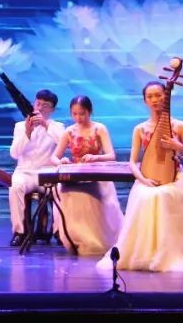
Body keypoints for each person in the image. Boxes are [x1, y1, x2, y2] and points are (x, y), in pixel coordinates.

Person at [100, 82, 183, 271]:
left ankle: (168, 254)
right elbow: (132, 162)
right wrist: (143, 180)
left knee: (163, 196)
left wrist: (178, 146)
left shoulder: (179, 126)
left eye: (158, 95)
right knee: (146, 195)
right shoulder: (140, 129)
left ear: (166, 97)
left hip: (174, 180)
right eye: (150, 96)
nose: (155, 100)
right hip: (147, 179)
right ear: (145, 101)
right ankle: (145, 255)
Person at [49, 95, 122, 256]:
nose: (78, 117)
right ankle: (77, 239)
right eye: (74, 114)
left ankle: (97, 241)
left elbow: (111, 155)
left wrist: (96, 157)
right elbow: (53, 157)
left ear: (90, 112)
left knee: (92, 195)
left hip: (97, 173)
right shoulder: (69, 132)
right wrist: (62, 161)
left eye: (82, 113)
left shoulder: (99, 129)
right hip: (76, 175)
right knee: (64, 191)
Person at [8, 89, 64, 246]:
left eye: (45, 106)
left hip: (47, 173)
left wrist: (45, 125)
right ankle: (19, 231)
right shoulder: (20, 126)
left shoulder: (57, 126)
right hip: (25, 172)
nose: (40, 108)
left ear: (52, 110)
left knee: (60, 188)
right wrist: (27, 132)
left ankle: (59, 231)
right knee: (14, 186)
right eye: (38, 104)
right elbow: (14, 153)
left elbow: (63, 142)